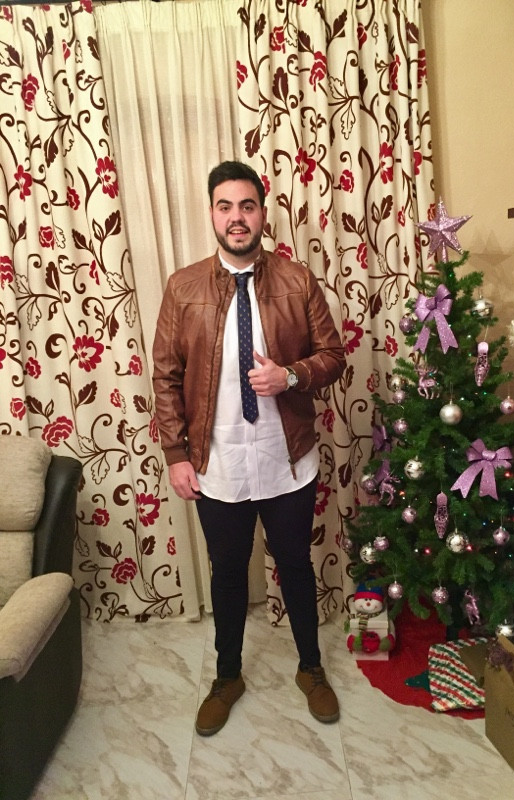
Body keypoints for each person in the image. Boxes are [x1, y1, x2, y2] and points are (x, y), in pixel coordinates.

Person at [152, 160, 346, 736]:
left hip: (287, 455)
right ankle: (227, 676)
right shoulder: (183, 287)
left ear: (262, 213)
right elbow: (166, 376)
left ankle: (311, 669)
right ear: (212, 214)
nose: (236, 218)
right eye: (225, 206)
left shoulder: (297, 280)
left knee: (295, 564)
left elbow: (333, 355)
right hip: (218, 461)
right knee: (229, 571)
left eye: (247, 206)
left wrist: (291, 376)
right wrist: (176, 455)